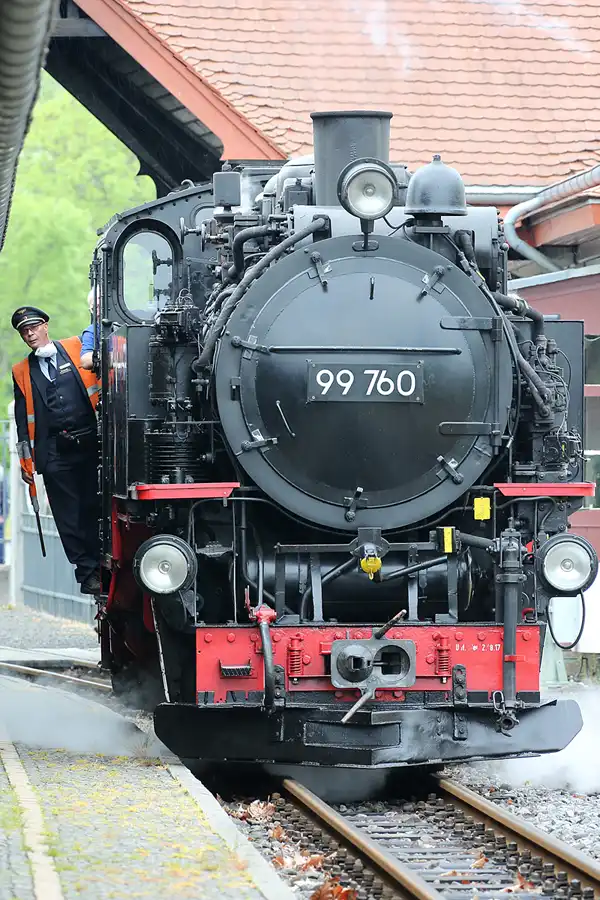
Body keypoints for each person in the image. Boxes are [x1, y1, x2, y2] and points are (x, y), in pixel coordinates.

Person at [11, 306, 101, 594]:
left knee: (94, 506)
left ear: (45, 325)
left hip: (91, 445)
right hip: (54, 454)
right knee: (67, 516)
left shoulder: (76, 349)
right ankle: (87, 573)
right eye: (24, 331)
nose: (29, 333)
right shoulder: (21, 371)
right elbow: (23, 422)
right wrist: (28, 464)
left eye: (33, 327)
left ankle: (105, 564)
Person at [80, 287, 99, 371]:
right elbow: (85, 361)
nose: (98, 312)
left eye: (101, 307)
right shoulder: (91, 331)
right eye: (94, 308)